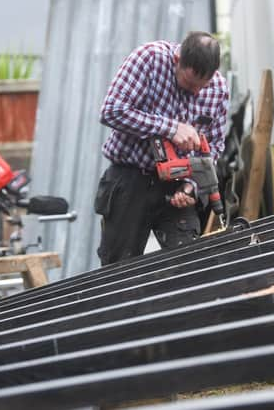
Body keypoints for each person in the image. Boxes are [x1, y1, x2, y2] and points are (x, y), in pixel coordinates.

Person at [94, 31, 229, 265]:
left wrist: (191, 187)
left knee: (191, 264)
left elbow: (214, 147)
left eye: (202, 85)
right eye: (189, 83)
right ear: (177, 60)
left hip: (177, 184)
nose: (196, 92)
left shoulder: (218, 89)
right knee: (118, 270)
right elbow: (112, 111)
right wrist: (170, 128)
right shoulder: (149, 59)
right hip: (131, 179)